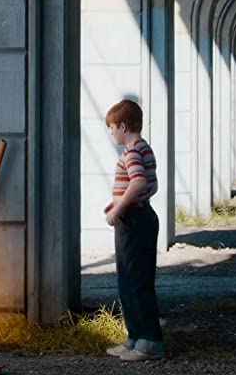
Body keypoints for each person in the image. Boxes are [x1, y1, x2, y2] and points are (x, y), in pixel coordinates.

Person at [102, 99, 165, 361]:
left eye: (111, 127)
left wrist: (119, 208)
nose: (110, 132)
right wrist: (118, 201)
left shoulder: (131, 152)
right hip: (140, 215)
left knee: (134, 282)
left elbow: (138, 183)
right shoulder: (143, 148)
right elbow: (152, 184)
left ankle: (150, 342)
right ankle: (135, 337)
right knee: (130, 280)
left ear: (123, 126)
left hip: (134, 220)